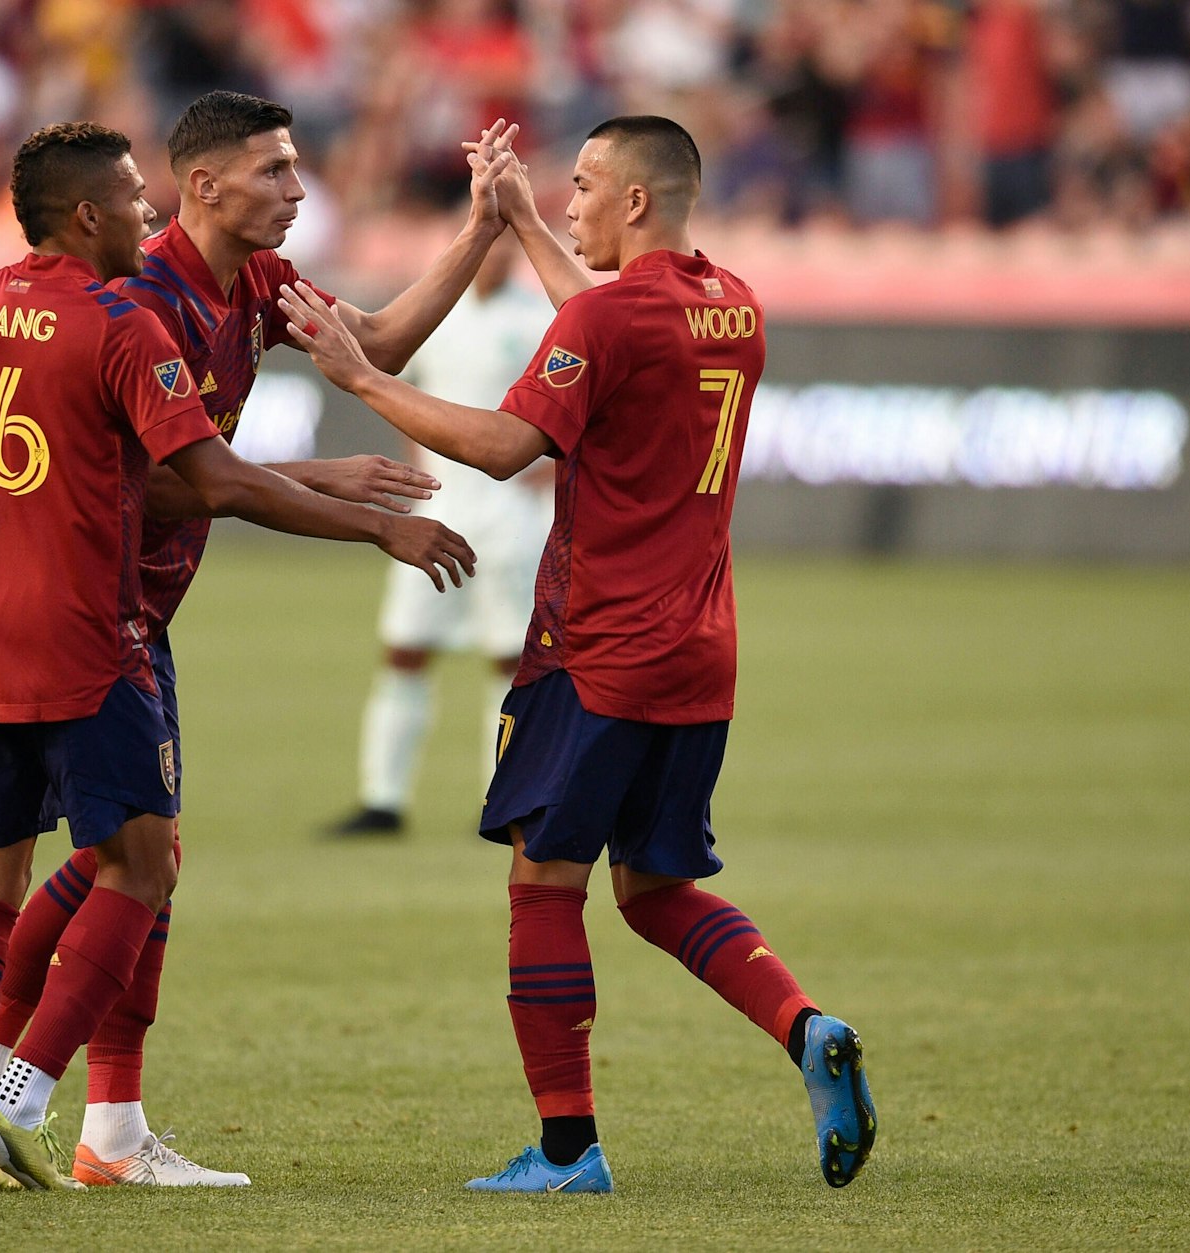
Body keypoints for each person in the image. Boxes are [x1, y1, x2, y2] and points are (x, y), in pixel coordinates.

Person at [0, 91, 518, 1188]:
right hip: (102, 611)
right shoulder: (133, 297)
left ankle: (59, 1109)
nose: (298, 190)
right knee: (133, 861)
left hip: (77, 610)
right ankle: (30, 1091)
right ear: (204, 184)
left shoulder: (255, 280)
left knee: (106, 861)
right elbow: (155, 480)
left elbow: (377, 340)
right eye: (275, 170)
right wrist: (337, 496)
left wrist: (479, 228)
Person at [278, 115, 876, 1192]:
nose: (570, 201)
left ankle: (566, 1150)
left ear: (636, 201)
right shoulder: (732, 303)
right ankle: (805, 1024)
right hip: (700, 648)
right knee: (652, 886)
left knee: (543, 886)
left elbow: (508, 446)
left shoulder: (605, 318)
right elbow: (605, 322)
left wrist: (360, 379)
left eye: (586, 185)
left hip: (597, 646)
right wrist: (512, 215)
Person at [328, 239, 555, 837]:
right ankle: (383, 801)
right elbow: (400, 391)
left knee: (511, 661)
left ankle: (503, 800)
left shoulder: (539, 320)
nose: (495, 255)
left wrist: (551, 473)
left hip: (512, 513)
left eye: (506, 245)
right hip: (440, 504)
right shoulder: (434, 315)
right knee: (405, 648)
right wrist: (420, 468)